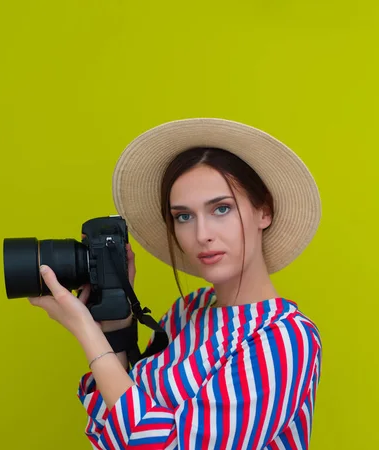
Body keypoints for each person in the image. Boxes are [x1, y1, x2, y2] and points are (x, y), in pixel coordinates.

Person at [28, 118, 323, 449]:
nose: (201, 235)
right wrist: (114, 328)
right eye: (184, 216)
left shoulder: (284, 339)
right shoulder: (188, 312)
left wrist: (86, 331)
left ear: (263, 212)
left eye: (221, 209)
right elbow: (114, 433)